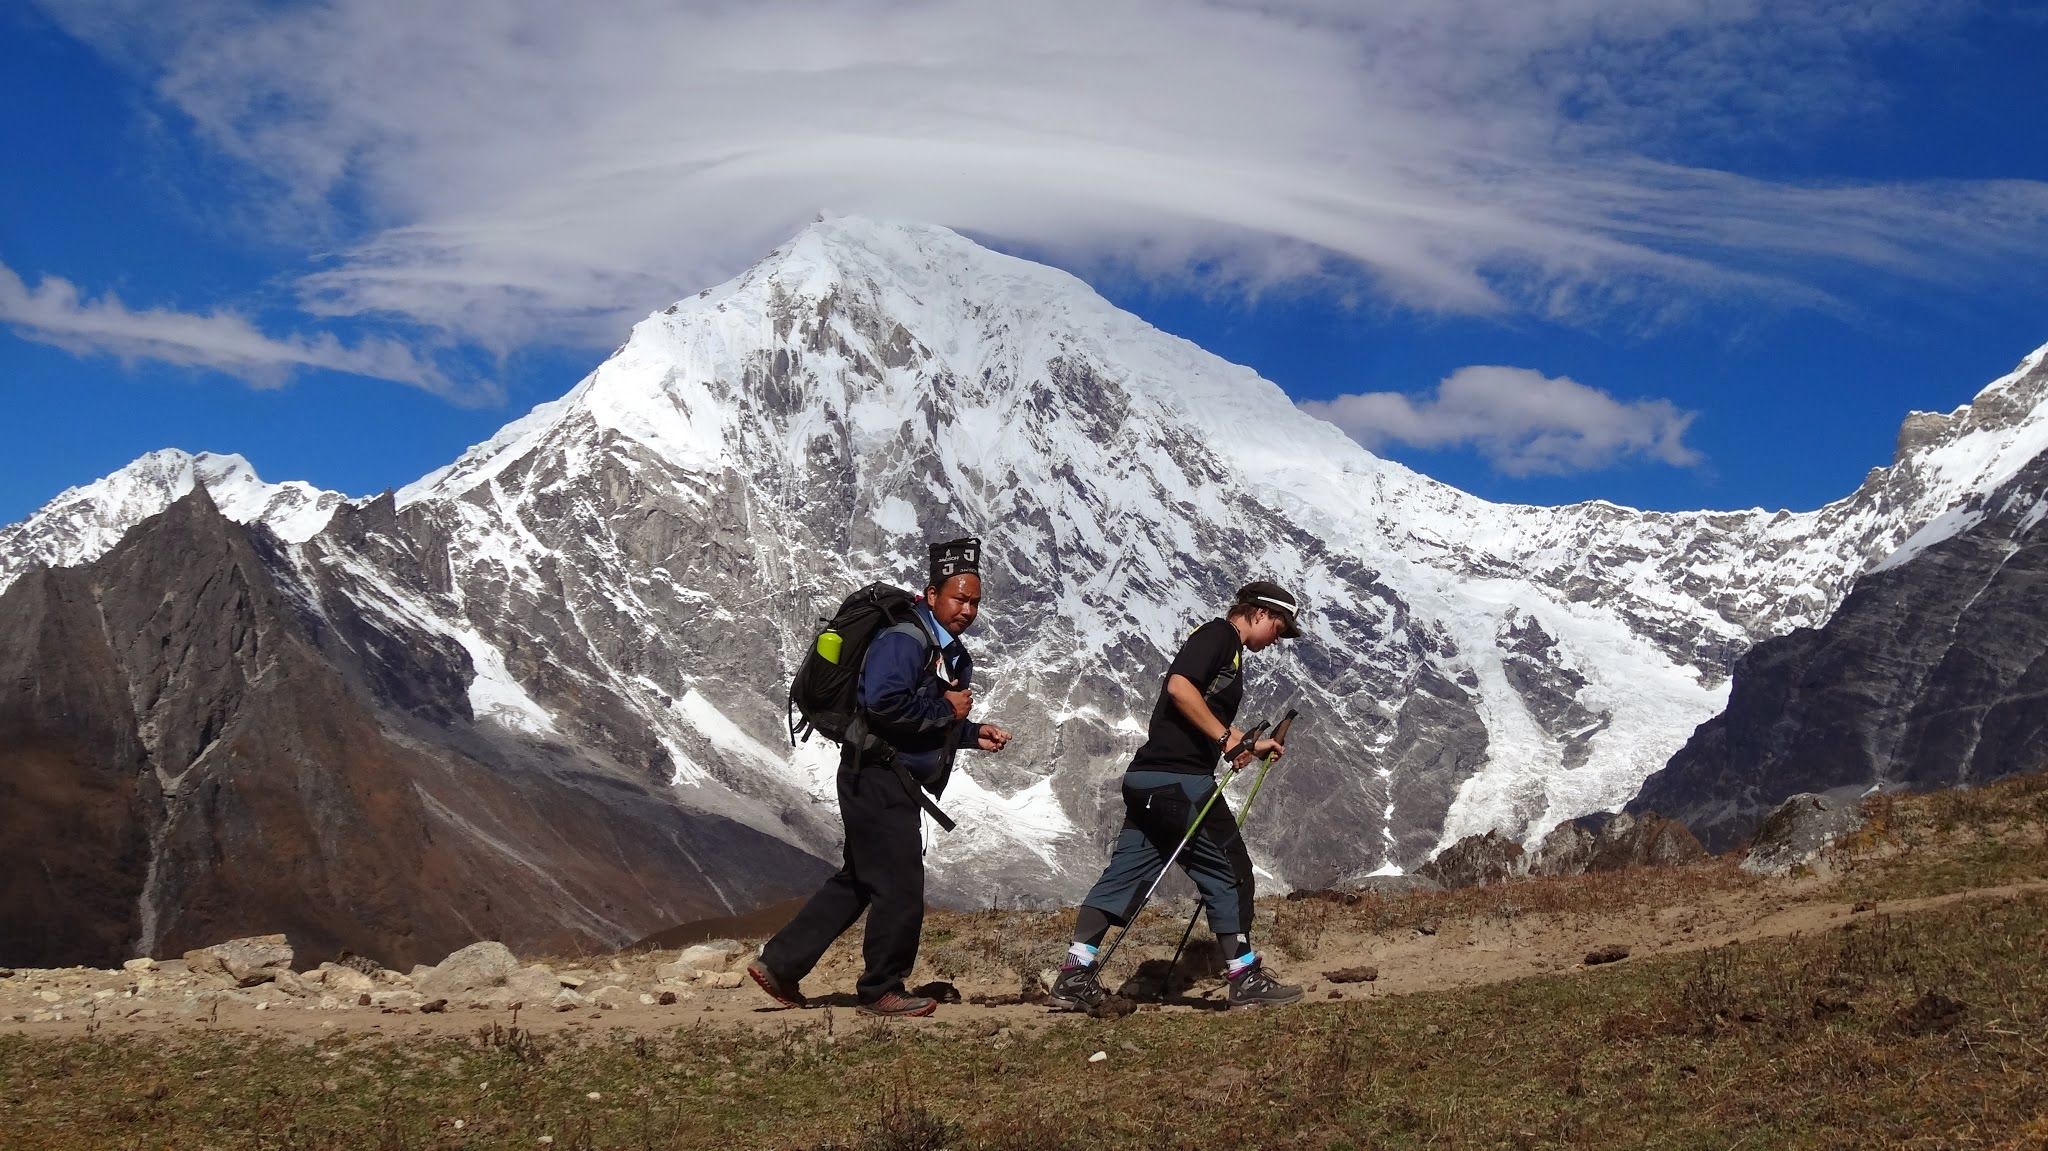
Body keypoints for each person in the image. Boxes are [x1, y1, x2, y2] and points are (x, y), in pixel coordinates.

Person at [749, 537, 1012, 1017]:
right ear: (932, 595)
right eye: (959, 598)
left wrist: (973, 733)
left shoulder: (935, 645)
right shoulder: (904, 639)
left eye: (974, 601)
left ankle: (780, 966)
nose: (968, 609)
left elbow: (915, 716)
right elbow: (885, 705)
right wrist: (946, 708)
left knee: (860, 879)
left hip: (876, 773)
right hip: (877, 776)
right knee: (899, 883)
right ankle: (881, 989)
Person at [1049, 581, 1306, 1011]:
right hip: (1179, 783)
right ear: (1259, 613)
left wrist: (1244, 744)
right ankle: (1244, 978)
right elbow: (1180, 687)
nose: (1277, 639)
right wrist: (1227, 738)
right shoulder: (1220, 636)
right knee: (1233, 871)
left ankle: (1074, 974)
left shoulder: (1225, 647)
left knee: (1125, 875)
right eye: (1278, 628)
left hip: (1148, 782)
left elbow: (1192, 710)